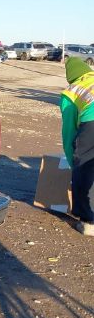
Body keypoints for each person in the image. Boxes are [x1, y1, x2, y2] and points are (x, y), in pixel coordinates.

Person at [60, 57, 94, 235]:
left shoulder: (71, 92)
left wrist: (73, 161)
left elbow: (69, 131)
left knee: (85, 168)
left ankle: (88, 221)